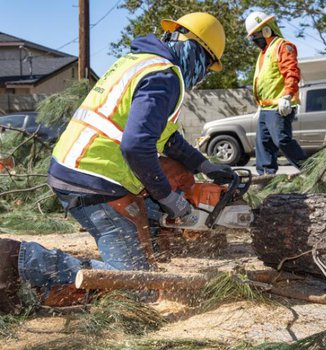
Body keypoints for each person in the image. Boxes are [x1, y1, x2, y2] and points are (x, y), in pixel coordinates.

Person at [0, 12, 237, 313]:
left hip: (76, 168)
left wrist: (205, 166)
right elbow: (137, 146)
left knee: (148, 214)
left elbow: (166, 137)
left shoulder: (139, 63)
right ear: (197, 52)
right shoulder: (164, 76)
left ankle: (56, 286)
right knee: (138, 287)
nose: (202, 76)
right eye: (206, 67)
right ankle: (21, 257)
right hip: (93, 180)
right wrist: (170, 200)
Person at [245, 11, 307, 175]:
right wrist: (260, 105)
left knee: (282, 139)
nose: (253, 40)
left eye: (255, 35)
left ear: (266, 30)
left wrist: (287, 95)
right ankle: (265, 178)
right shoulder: (264, 53)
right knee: (263, 144)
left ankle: (311, 170)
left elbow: (291, 72)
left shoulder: (283, 46)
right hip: (266, 108)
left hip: (280, 106)